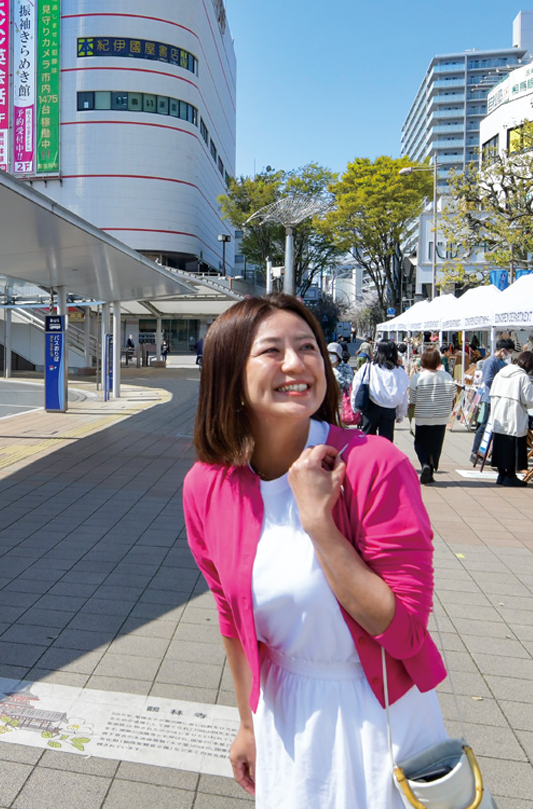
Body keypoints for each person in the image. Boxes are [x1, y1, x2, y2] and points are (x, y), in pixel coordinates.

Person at [182, 294, 449, 806]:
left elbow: (407, 630)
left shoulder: (374, 465)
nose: (296, 363)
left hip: (379, 714)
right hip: (282, 713)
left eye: (308, 347)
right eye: (271, 351)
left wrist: (318, 524)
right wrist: (246, 724)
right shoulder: (208, 485)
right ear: (228, 374)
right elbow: (230, 617)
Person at [487, 350, 533, 487]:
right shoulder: (522, 377)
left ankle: (501, 474)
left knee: (500, 444)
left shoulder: (501, 373)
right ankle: (511, 475)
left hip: (498, 413)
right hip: (514, 415)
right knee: (513, 446)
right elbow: (530, 400)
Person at [408, 350, 457, 486]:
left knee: (421, 443)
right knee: (436, 444)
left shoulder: (418, 377)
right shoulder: (446, 376)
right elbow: (453, 394)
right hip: (441, 416)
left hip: (423, 415)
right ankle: (431, 469)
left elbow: (412, 398)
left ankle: (424, 464)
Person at [353, 342, 409, 442]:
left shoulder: (368, 367)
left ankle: (368, 457)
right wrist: (401, 413)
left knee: (368, 440)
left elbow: (356, 386)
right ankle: (384, 458)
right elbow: (403, 394)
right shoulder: (399, 372)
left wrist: (355, 406)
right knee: (386, 441)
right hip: (390, 410)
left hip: (371, 408)